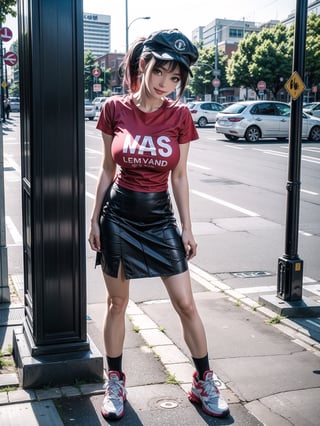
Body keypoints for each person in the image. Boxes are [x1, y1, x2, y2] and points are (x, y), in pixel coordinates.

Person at [88, 28, 230, 421]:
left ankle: (203, 381)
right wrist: (95, 219)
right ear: (143, 65)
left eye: (175, 78)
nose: (166, 84)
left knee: (185, 303)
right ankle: (115, 381)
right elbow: (105, 169)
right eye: (160, 73)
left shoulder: (180, 115)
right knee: (117, 303)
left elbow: (180, 176)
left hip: (160, 218)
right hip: (118, 218)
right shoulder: (114, 109)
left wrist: (187, 227)